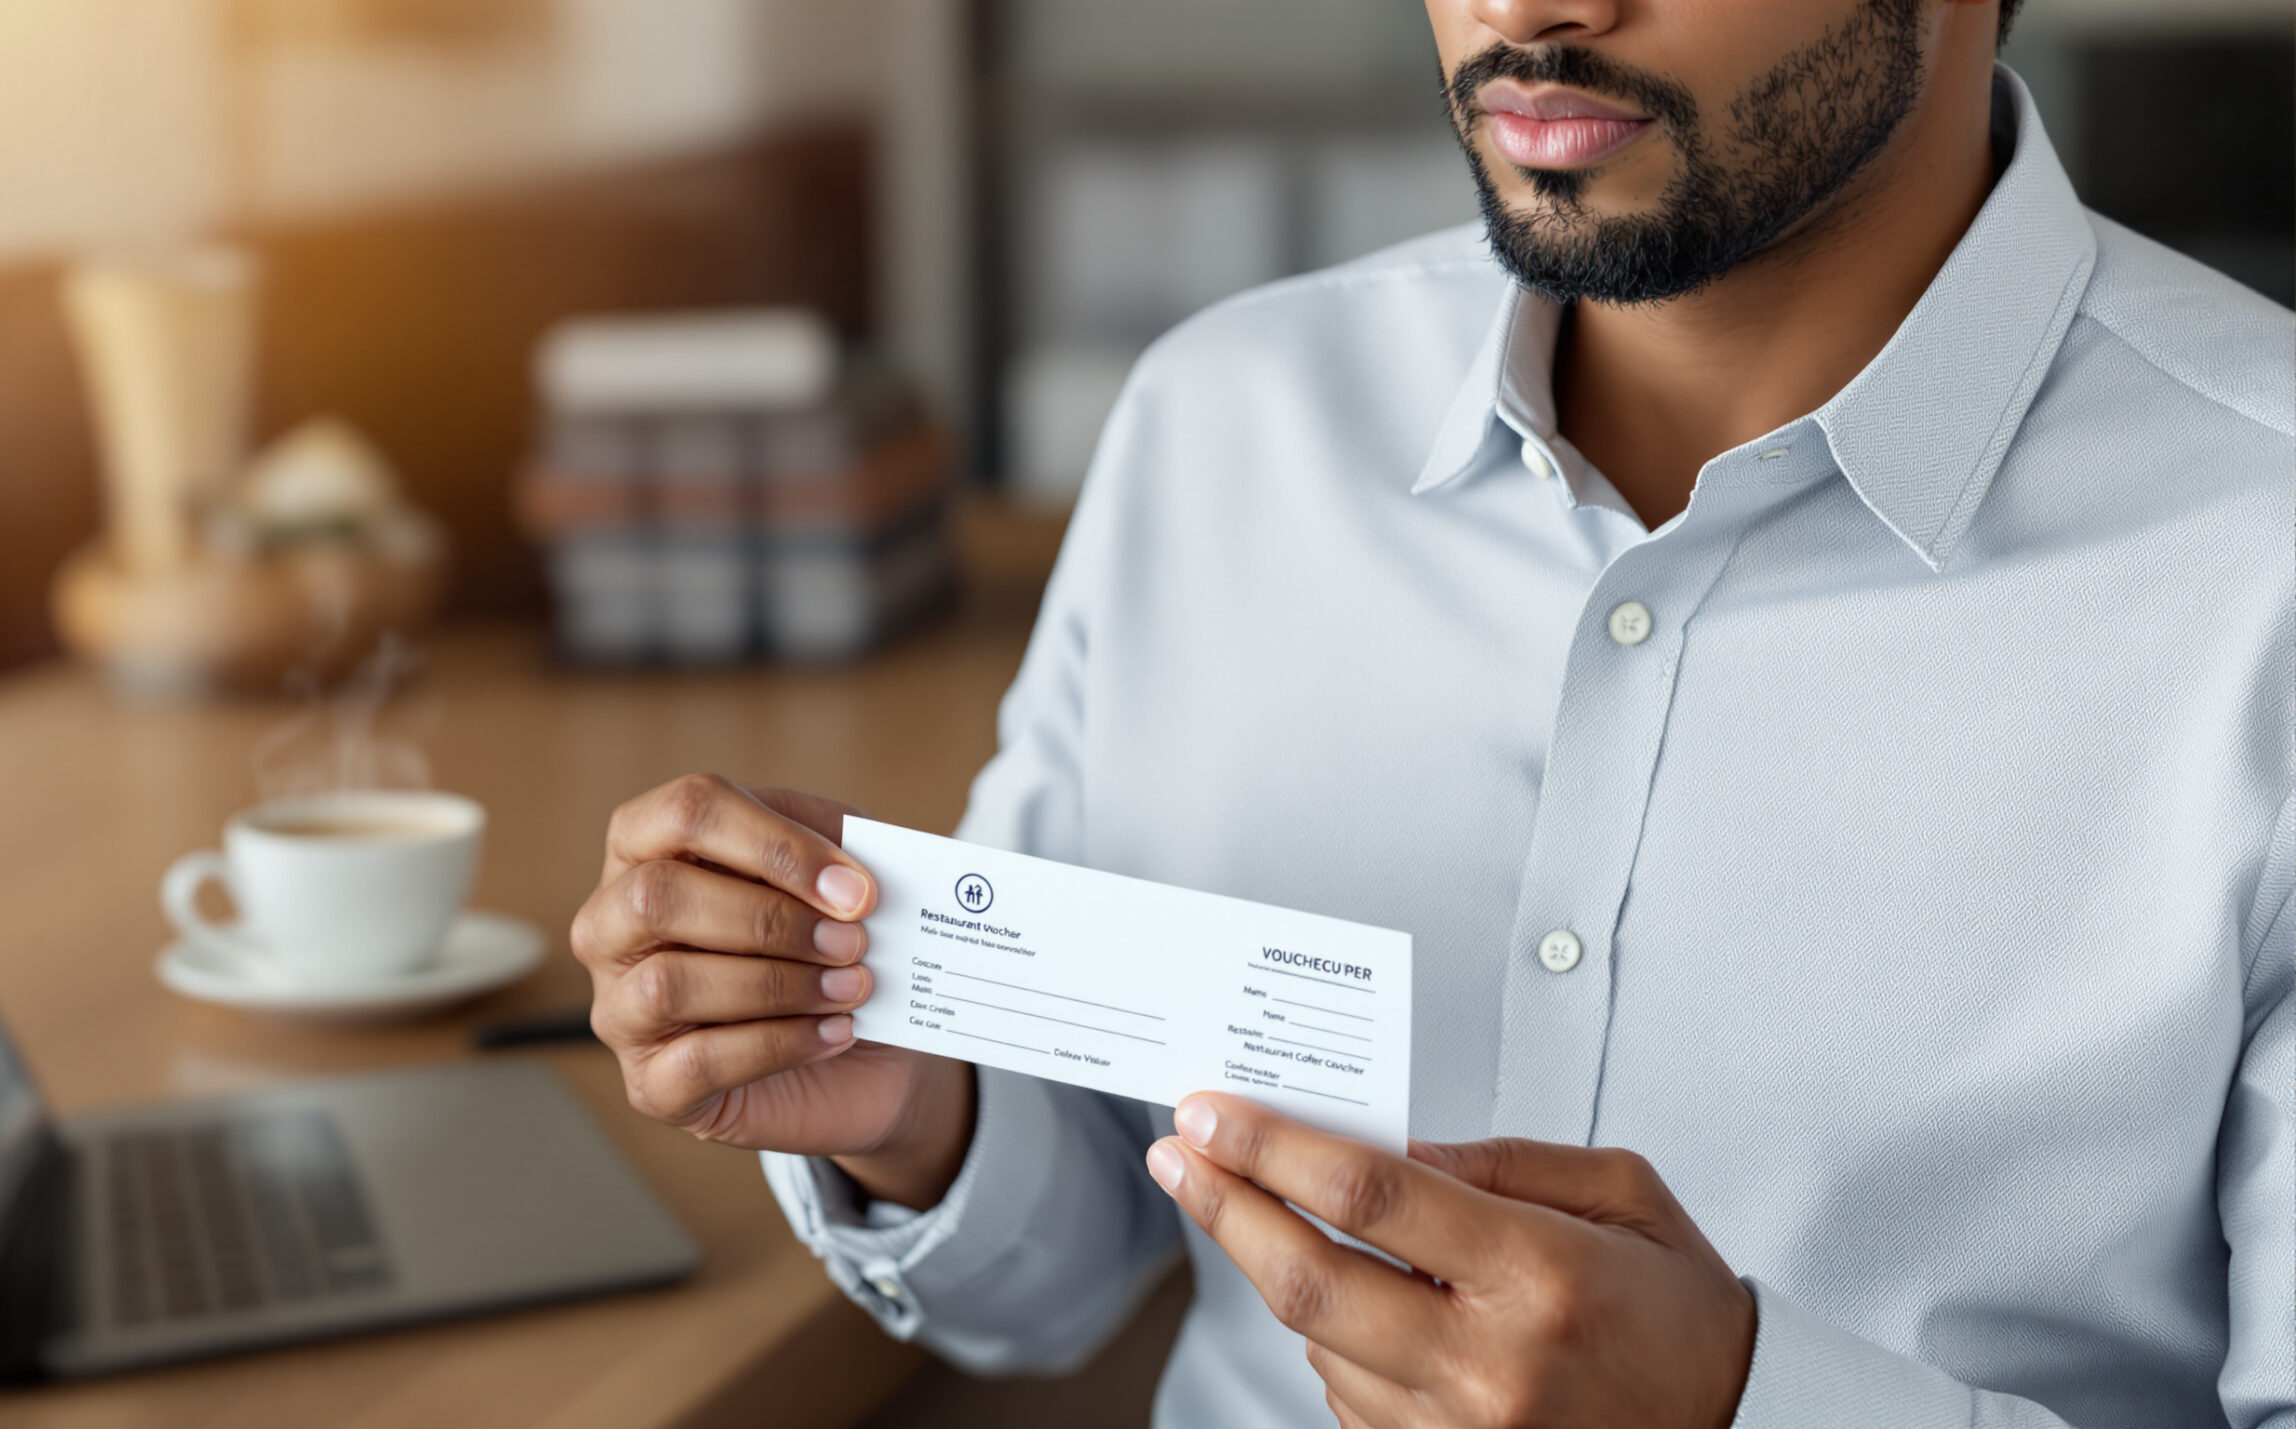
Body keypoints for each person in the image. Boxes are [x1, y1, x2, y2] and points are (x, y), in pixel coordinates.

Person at [569, 0, 2293, 1422]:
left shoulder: (2261, 560)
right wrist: (915, 1100)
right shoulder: (1220, 427)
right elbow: (1070, 1253)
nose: (1524, 14)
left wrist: (1745, 1408)